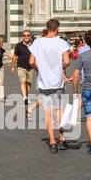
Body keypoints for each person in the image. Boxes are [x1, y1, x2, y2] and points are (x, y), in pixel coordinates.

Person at [31, 18, 73, 154]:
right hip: (58, 83)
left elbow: (31, 61)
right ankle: (61, 139)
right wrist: (61, 66)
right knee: (59, 110)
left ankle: (52, 142)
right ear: (57, 29)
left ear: (47, 28)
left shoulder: (38, 42)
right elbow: (66, 61)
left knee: (48, 112)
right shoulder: (61, 42)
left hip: (44, 83)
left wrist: (40, 69)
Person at [12, 30, 34, 109]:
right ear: (22, 36)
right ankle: (24, 97)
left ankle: (26, 97)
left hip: (31, 67)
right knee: (23, 81)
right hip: (21, 66)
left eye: (28, 35)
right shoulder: (18, 45)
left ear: (30, 36)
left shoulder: (34, 45)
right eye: (24, 35)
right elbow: (15, 56)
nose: (26, 37)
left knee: (28, 82)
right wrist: (12, 65)